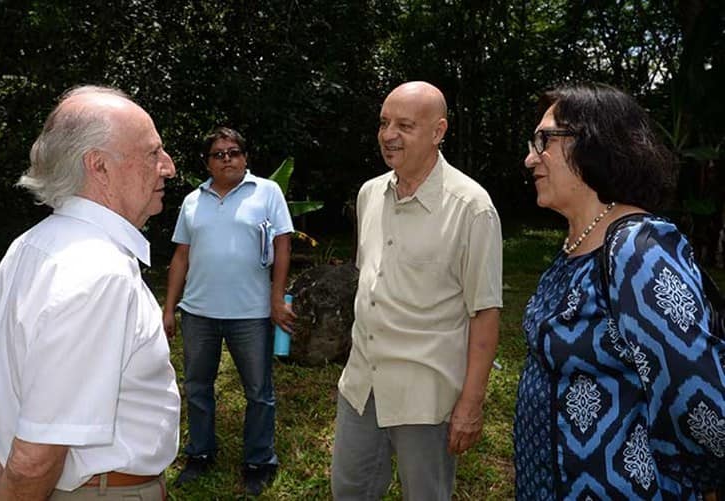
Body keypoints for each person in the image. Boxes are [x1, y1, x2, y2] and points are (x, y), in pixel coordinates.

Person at [516, 82, 725, 499]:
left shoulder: (639, 249)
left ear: (594, 141)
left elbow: (701, 403)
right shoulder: (576, 244)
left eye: (544, 140)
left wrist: (685, 479)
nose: (529, 159)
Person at [0, 85, 180, 500]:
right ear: (99, 166)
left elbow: (2, 395)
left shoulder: (27, 248)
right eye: (152, 152)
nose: (169, 167)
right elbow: (37, 454)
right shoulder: (100, 273)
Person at [331, 81, 503, 500]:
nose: (389, 134)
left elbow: (485, 313)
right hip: (362, 384)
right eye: (384, 122)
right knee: (348, 490)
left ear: (438, 131)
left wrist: (471, 403)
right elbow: (370, 282)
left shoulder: (471, 207)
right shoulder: (369, 194)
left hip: (425, 395)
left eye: (405, 125)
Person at [163, 127, 294, 495]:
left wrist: (276, 298)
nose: (227, 159)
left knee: (258, 391)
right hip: (198, 312)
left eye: (233, 152)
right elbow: (181, 256)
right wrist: (169, 307)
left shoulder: (267, 192)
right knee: (198, 388)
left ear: (245, 157)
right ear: (207, 162)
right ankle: (200, 454)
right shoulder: (192, 201)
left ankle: (258, 460)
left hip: (251, 313)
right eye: (218, 154)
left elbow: (282, 246)